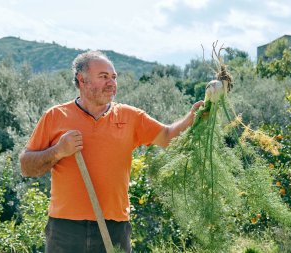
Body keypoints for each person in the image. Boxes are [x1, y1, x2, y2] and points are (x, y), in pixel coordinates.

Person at [19, 50, 204, 253]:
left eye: (114, 77)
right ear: (82, 80)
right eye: (103, 77)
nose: (111, 83)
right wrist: (58, 151)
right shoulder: (56, 116)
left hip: (114, 227)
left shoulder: (130, 117)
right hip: (65, 228)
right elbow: (27, 167)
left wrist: (192, 118)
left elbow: (168, 137)